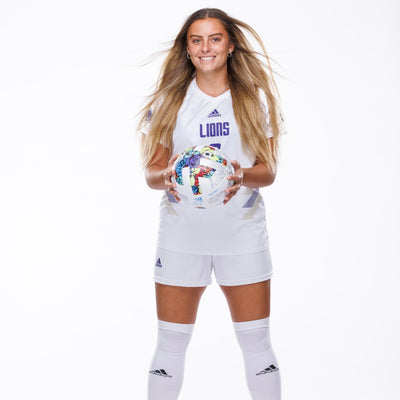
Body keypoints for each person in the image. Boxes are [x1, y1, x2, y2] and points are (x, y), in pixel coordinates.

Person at [138, 8, 285, 400]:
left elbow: (269, 170)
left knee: (256, 342)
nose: (206, 48)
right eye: (196, 40)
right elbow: (152, 173)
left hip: (242, 235)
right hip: (182, 237)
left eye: (215, 38)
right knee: (171, 343)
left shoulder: (254, 99)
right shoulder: (169, 101)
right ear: (187, 49)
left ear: (230, 45)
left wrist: (241, 175)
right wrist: (168, 176)